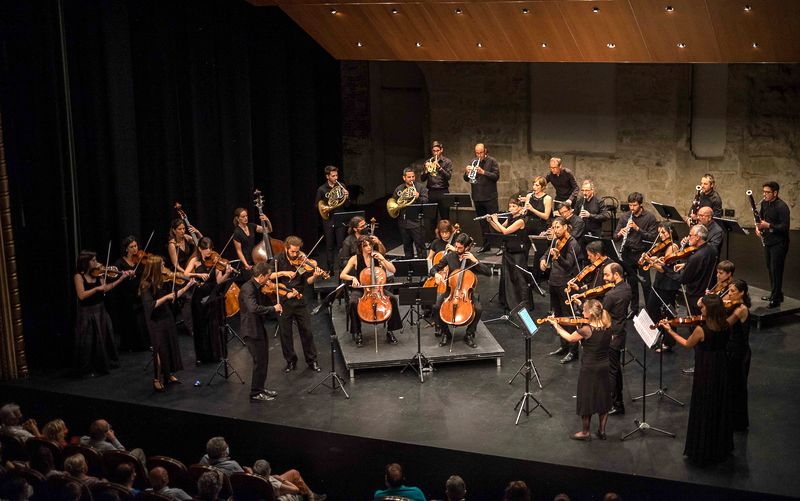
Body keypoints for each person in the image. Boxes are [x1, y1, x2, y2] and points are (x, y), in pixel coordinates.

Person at [659, 295, 733, 466]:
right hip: (721, 366)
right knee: (718, 403)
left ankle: (702, 447)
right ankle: (719, 446)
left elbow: (686, 343)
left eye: (703, 307)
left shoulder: (701, 330)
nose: (701, 310)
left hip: (706, 368)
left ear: (710, 309)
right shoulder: (726, 325)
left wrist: (669, 330)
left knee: (704, 404)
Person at [546, 299, 613, 440]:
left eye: (584, 310)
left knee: (586, 398)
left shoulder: (586, 330)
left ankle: (585, 432)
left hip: (589, 368)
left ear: (589, 313)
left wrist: (556, 325)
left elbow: (570, 338)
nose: (582, 312)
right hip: (604, 366)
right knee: (603, 397)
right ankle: (602, 431)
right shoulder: (608, 325)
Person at [139, 255, 195, 391]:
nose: (165, 268)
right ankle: (157, 379)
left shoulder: (163, 281)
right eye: (162, 265)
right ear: (155, 268)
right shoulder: (146, 285)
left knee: (169, 345)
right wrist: (166, 297)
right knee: (159, 348)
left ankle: (168, 374)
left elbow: (174, 295)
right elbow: (150, 305)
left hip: (167, 316)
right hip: (156, 320)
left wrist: (188, 285)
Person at [428, 233, 492, 348]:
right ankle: (445, 333)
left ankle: (469, 334)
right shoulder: (450, 256)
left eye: (460, 248)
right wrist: (436, 274)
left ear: (467, 247)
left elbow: (488, 273)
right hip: (451, 292)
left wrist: (475, 261)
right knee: (436, 307)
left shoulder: (471, 260)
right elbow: (434, 268)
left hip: (466, 294)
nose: (456, 249)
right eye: (456, 246)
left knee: (478, 309)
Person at [73, 250, 130, 377]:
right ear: (85, 262)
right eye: (93, 260)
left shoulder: (99, 275)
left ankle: (102, 365)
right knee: (88, 342)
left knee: (103, 338)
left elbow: (106, 288)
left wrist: (121, 278)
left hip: (100, 310)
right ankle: (87, 369)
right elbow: (81, 295)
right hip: (87, 313)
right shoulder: (78, 276)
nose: (97, 262)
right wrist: (96, 288)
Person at [271, 236, 322, 372]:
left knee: (307, 331)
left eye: (297, 252)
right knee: (285, 333)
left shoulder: (302, 260)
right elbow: (269, 277)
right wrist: (283, 272)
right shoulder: (278, 259)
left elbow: (308, 281)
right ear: (286, 248)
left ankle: (312, 361)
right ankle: (290, 361)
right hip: (284, 301)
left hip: (299, 299)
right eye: (292, 252)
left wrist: (316, 276)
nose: (295, 255)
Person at [340, 235, 403, 346]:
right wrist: (353, 278)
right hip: (362, 289)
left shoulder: (377, 256)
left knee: (393, 299)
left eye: (370, 245)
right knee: (353, 302)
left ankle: (390, 331)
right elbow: (342, 275)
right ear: (361, 247)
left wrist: (382, 259)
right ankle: (358, 332)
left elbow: (393, 270)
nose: (369, 247)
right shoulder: (355, 258)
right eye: (365, 245)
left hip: (378, 289)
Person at [185, 238, 235, 365]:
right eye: (207, 249)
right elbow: (186, 274)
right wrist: (198, 275)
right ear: (200, 249)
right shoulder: (195, 261)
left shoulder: (215, 261)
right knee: (200, 326)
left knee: (213, 325)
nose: (210, 251)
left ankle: (215, 354)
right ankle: (201, 356)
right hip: (199, 297)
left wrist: (227, 274)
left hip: (212, 296)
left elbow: (218, 281)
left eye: (211, 248)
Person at [239, 261, 283, 402]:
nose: (269, 279)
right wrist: (273, 308)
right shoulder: (248, 288)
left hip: (258, 327)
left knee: (263, 360)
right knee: (259, 361)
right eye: (268, 277)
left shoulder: (257, 286)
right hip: (251, 330)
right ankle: (255, 392)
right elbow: (253, 308)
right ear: (261, 276)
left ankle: (260, 388)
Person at [540, 217, 581, 363]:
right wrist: (543, 260)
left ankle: (573, 350)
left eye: (558, 227)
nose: (555, 230)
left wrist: (558, 257)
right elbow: (546, 253)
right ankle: (564, 346)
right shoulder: (555, 240)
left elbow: (569, 265)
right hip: (554, 282)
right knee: (558, 315)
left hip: (565, 284)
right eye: (553, 227)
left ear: (566, 227)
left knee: (568, 318)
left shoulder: (572, 244)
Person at [613, 192, 658, 315]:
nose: (632, 208)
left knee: (646, 284)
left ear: (640, 204)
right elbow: (615, 237)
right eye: (630, 205)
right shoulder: (625, 217)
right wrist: (620, 233)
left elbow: (653, 238)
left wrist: (638, 229)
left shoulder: (649, 217)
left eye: (634, 205)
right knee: (631, 283)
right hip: (628, 254)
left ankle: (650, 311)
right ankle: (633, 309)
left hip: (642, 254)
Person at [488, 197, 533, 311]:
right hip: (509, 250)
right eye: (510, 206)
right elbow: (500, 229)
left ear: (520, 208)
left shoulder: (521, 220)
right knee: (508, 276)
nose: (511, 208)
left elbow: (506, 231)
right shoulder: (510, 217)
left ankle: (522, 303)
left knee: (519, 277)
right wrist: (491, 221)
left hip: (518, 252)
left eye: (514, 206)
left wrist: (496, 220)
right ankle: (508, 301)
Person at [643, 221, 681, 352]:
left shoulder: (673, 247)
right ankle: (660, 333)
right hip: (660, 282)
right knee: (652, 307)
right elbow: (661, 259)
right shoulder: (663, 245)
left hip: (669, 283)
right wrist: (652, 258)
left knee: (668, 313)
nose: (661, 235)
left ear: (670, 232)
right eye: (660, 233)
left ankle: (668, 342)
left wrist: (650, 262)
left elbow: (663, 269)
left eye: (663, 232)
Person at [601, 263, 632, 416]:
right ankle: (617, 401)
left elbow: (604, 319)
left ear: (616, 275)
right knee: (616, 369)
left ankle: (617, 404)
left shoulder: (610, 295)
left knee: (612, 371)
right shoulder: (627, 287)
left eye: (606, 275)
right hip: (621, 332)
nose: (604, 278)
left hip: (612, 336)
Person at [110, 235, 149, 352]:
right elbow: (114, 276)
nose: (134, 249)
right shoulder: (120, 262)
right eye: (131, 247)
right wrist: (124, 273)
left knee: (141, 320)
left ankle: (143, 343)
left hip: (139, 294)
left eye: (135, 246)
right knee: (129, 320)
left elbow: (146, 275)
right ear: (126, 249)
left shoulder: (141, 259)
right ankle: (129, 344)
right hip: (126, 296)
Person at [756, 181, 790, 308]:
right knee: (770, 268)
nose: (765, 194)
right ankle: (776, 294)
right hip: (768, 240)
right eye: (764, 192)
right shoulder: (765, 203)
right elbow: (760, 218)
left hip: (779, 242)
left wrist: (768, 225)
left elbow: (785, 227)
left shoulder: (782, 206)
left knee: (776, 269)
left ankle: (776, 299)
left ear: (775, 193)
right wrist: (758, 227)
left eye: (767, 192)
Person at [167, 218, 201, 336]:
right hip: (179, 273)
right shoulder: (172, 244)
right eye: (180, 229)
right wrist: (187, 272)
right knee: (188, 298)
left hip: (189, 269)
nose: (182, 231)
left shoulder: (186, 238)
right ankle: (190, 327)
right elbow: (175, 265)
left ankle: (198, 322)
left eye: (183, 229)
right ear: (174, 230)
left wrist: (197, 232)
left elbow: (201, 243)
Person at [725, 279, 752, 432]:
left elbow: (726, 324)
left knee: (738, 386)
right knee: (732, 385)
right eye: (729, 290)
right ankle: (731, 418)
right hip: (732, 349)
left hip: (739, 352)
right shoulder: (732, 304)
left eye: (732, 291)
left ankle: (738, 422)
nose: (729, 294)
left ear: (742, 293)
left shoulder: (741, 309)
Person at [464, 143, 500, 253]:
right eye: (477, 153)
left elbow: (496, 176)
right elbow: (466, 178)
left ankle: (500, 247)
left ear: (485, 151)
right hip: (477, 197)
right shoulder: (473, 162)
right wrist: (467, 172)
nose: (479, 155)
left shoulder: (492, 161)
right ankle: (486, 245)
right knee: (482, 224)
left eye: (481, 152)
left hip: (490, 197)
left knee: (495, 223)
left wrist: (483, 172)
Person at [315, 165, 350, 271]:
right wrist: (326, 208)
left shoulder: (341, 186)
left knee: (340, 245)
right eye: (333, 176)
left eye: (336, 175)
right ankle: (330, 269)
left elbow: (347, 205)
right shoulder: (322, 189)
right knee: (329, 245)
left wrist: (347, 197)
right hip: (328, 219)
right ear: (327, 176)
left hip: (340, 218)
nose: (336, 178)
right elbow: (317, 205)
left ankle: (341, 268)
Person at [392, 167, 429, 258]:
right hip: (403, 222)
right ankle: (410, 268)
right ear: (404, 178)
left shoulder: (420, 187)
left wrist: (418, 197)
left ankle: (422, 266)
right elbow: (394, 202)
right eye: (409, 177)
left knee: (420, 248)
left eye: (413, 176)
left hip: (417, 222)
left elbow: (426, 201)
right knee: (407, 247)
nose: (411, 179)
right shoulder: (399, 189)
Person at [251, 459, 326, 501]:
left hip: (267, 484)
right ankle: (311, 497)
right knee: (295, 476)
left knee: (294, 473)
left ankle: (311, 495)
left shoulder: (252, 478)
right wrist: (281, 479)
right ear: (269, 471)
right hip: (275, 491)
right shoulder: (274, 483)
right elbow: (295, 489)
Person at [420, 140, 453, 223]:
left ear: (441, 150)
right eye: (434, 151)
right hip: (431, 192)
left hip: (443, 191)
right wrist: (426, 171)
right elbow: (422, 179)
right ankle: (433, 236)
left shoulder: (447, 162)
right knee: (431, 218)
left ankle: (446, 235)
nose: (435, 153)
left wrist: (440, 168)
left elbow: (448, 177)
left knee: (445, 218)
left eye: (437, 151)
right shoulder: (428, 162)